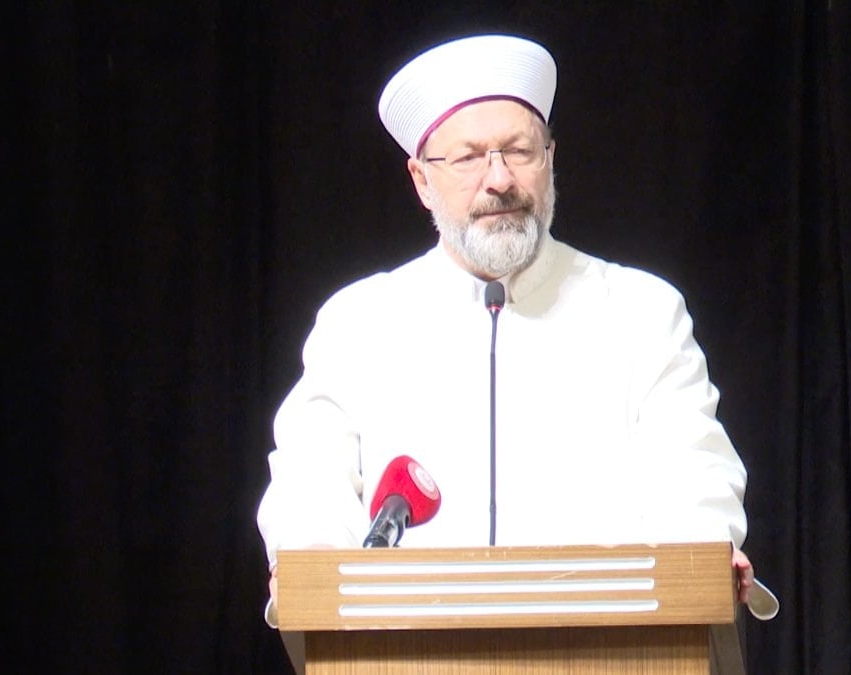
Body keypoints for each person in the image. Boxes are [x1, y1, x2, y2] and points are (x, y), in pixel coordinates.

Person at [256, 33, 758, 669]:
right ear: (421, 180)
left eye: (519, 152)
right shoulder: (358, 323)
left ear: (550, 159)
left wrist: (702, 552)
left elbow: (695, 477)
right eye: (468, 158)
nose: (499, 180)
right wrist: (312, 565)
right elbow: (309, 485)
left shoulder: (642, 312)